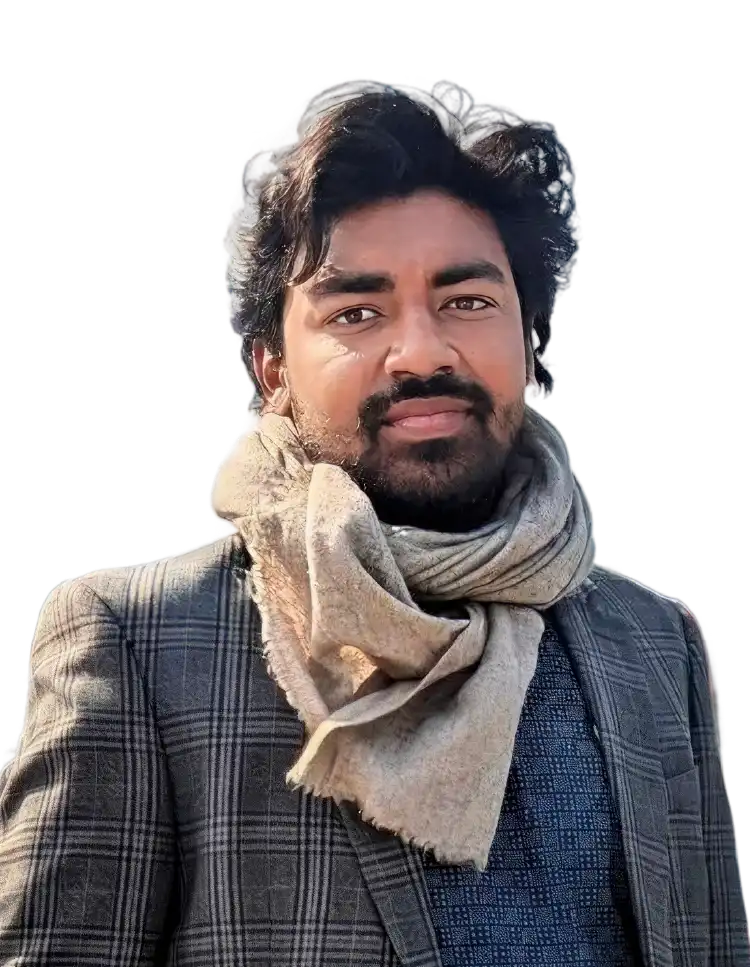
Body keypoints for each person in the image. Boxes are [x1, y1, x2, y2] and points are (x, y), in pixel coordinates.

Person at [1, 77, 747, 966]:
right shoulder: (142, 644)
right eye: (356, 312)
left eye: (467, 300)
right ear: (272, 370)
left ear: (530, 340)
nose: (421, 351)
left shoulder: (655, 644)